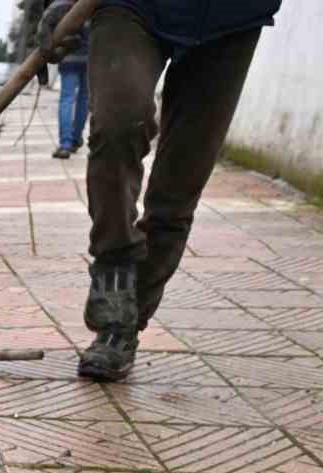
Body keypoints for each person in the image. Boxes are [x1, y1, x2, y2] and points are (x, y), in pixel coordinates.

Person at [58, 0, 283, 382]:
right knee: (118, 125)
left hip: (234, 17)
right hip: (132, 7)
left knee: (179, 182)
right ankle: (114, 269)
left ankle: (122, 329)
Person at [45, 4, 90, 158]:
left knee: (67, 99)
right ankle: (76, 139)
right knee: (83, 100)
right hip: (90, 58)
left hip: (69, 58)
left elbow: (48, 24)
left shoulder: (62, 5)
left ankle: (65, 144)